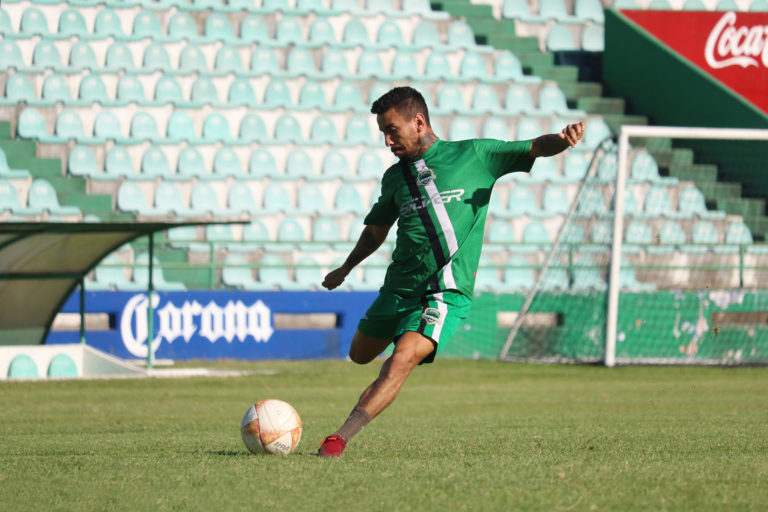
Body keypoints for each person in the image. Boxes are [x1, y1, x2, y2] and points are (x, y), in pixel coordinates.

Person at [317, 86, 585, 457]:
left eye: (392, 130)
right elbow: (375, 231)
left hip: (444, 292)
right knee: (359, 354)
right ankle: (405, 330)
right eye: (383, 132)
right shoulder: (395, 179)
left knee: (401, 361)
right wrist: (345, 269)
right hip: (398, 289)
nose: (387, 140)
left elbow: (534, 147)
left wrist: (562, 140)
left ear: (419, 122)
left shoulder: (474, 155)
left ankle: (339, 438)